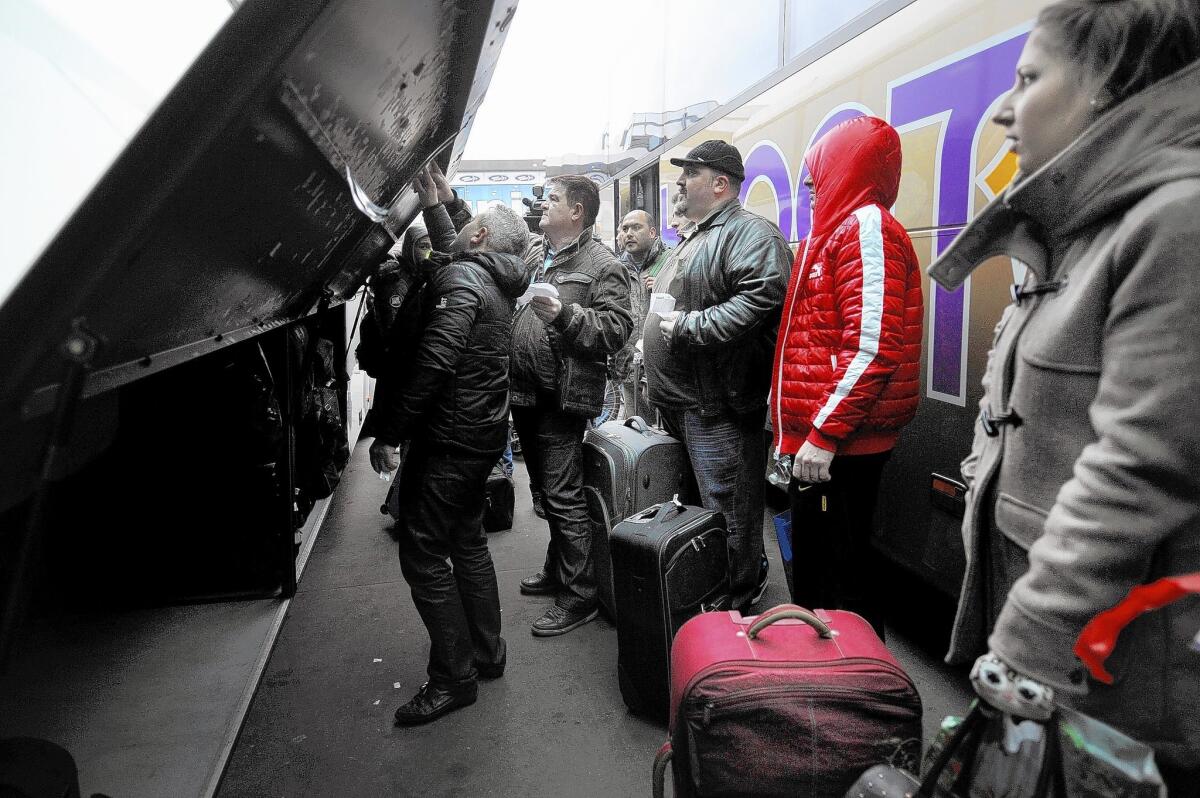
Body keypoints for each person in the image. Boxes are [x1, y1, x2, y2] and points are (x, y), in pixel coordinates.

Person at [926, 1, 1200, 791]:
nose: (1005, 108)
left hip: (1121, 662)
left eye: (1029, 77)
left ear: (1110, 87)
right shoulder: (1075, 229)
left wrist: (1033, 636)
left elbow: (1144, 463)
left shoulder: (1174, 219)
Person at [368, 166, 532, 725]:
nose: (459, 230)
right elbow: (455, 253)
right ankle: (486, 654)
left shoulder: (463, 282)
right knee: (466, 542)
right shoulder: (491, 276)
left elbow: (436, 360)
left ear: (480, 236)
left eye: (469, 224)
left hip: (449, 440)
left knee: (422, 553)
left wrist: (389, 432)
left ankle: (453, 678)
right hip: (480, 436)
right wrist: (439, 204)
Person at [768, 116, 923, 640]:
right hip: (830, 441)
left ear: (848, 169)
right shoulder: (837, 230)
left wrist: (824, 434)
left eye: (819, 173)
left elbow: (873, 346)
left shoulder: (866, 227)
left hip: (843, 444)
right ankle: (829, 687)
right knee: (822, 575)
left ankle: (851, 697)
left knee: (841, 581)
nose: (810, 186)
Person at [643, 140, 791, 613]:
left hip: (719, 407)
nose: (681, 182)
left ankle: (739, 604)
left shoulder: (751, 234)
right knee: (703, 510)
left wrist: (691, 329)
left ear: (720, 183)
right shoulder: (699, 234)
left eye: (691, 173)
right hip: (687, 403)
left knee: (730, 513)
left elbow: (762, 297)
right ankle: (715, 594)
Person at [510, 175, 632, 636]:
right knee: (545, 491)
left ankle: (580, 595)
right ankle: (559, 567)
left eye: (554, 199)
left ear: (578, 211)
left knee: (562, 496)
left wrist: (564, 315)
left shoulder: (603, 264)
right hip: (527, 392)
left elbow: (617, 329)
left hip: (561, 399)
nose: (544, 205)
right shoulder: (540, 253)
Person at [614, 209, 670, 419]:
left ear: (653, 232)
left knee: (666, 436)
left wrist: (665, 288)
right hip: (628, 366)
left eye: (636, 227)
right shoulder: (616, 268)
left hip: (664, 368)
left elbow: (688, 306)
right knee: (638, 432)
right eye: (625, 228)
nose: (629, 233)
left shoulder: (670, 262)